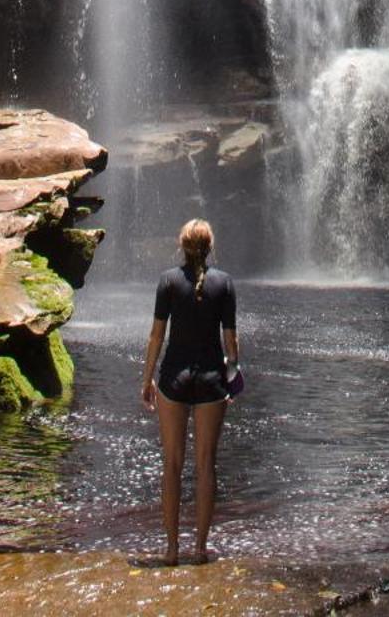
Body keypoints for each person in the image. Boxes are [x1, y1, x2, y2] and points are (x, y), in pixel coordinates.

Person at [141, 216, 240, 565]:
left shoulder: (168, 281)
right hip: (212, 378)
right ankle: (199, 548)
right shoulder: (224, 284)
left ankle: (171, 550)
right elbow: (230, 340)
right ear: (210, 247)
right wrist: (234, 376)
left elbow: (157, 335)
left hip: (173, 379)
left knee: (171, 464)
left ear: (182, 246)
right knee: (206, 465)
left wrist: (147, 378)